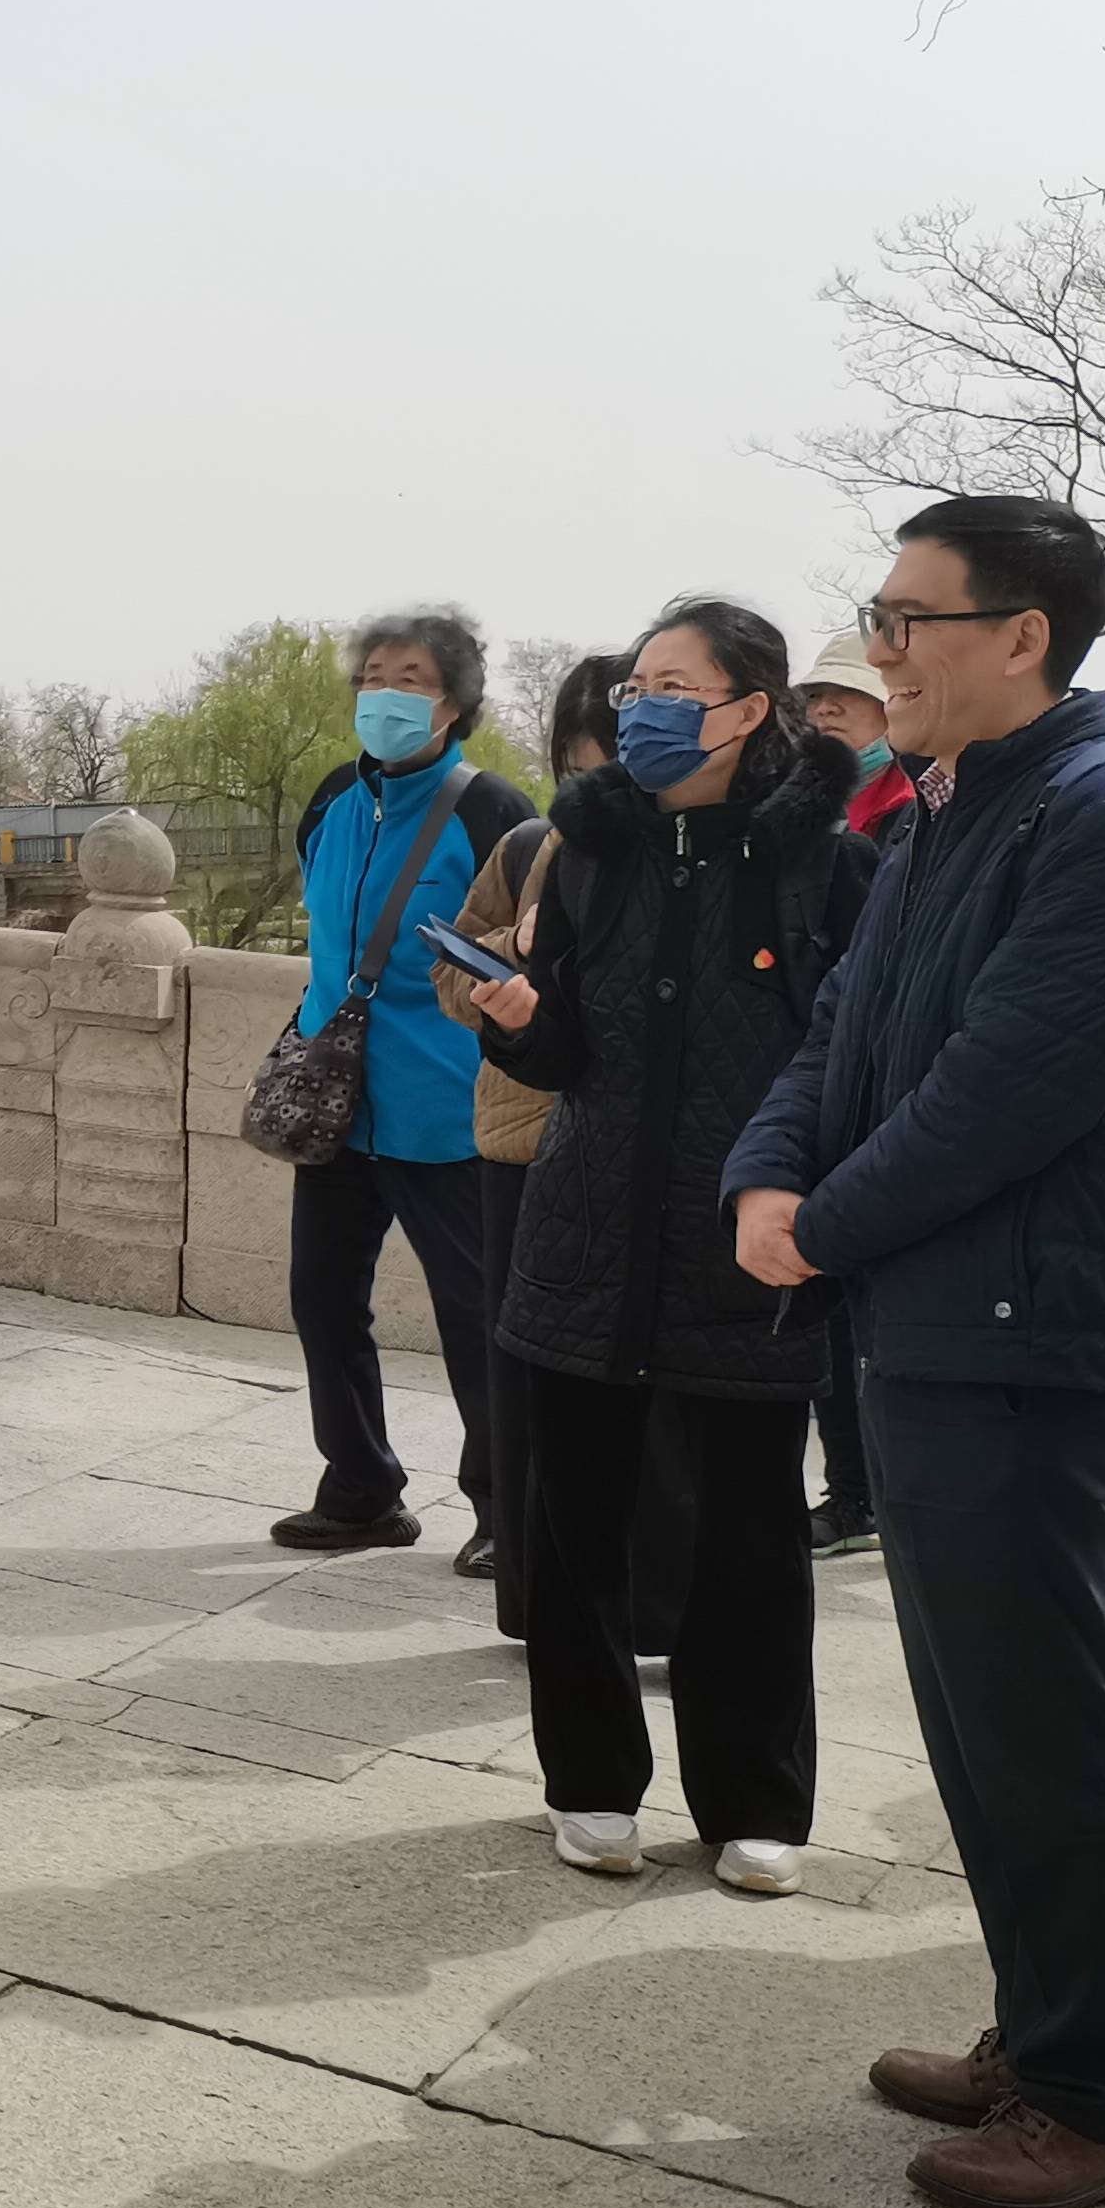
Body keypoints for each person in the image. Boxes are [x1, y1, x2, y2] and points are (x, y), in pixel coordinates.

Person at [727, 493, 1105, 2208]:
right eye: (876, 616)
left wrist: (824, 1223)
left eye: (907, 621)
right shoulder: (947, 802)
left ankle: (1098, 2101)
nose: (881, 651)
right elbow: (843, 1032)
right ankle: (1043, 2028)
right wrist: (767, 1173)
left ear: (1022, 636)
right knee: (980, 1721)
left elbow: (1013, 1084)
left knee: (1045, 1723)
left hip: (1023, 1327)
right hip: (932, 1313)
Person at [455, 597, 871, 1895]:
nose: (642, 709)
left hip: (746, 1245)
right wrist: (517, 1018)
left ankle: (756, 1802)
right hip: (584, 1232)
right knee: (573, 1531)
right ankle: (589, 1786)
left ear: (749, 707)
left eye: (674, 687)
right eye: (637, 688)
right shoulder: (586, 852)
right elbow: (564, 1053)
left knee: (751, 1540)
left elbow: (856, 1057)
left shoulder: (832, 866)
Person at [273, 609, 537, 1562]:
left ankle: (508, 1514)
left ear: (453, 702)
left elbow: (526, 953)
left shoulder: (494, 813)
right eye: (372, 677)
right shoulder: (332, 799)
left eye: (410, 679)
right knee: (323, 1300)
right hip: (337, 1104)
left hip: (447, 1111)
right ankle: (360, 1491)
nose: (384, 695)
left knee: (479, 1317)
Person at [423, 653, 601, 1601]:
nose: (593, 786)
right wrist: (518, 949)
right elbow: (451, 973)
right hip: (516, 1142)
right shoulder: (529, 847)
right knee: (515, 1354)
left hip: (624, 1147)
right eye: (577, 765)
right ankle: (509, 1534)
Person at [796, 625, 909, 1550]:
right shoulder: (803, 812)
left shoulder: (913, 812)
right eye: (816, 699)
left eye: (846, 697)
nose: (826, 711)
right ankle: (854, 1484)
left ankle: (867, 1489)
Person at [802, 628, 918, 852]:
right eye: (814, 695)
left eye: (848, 690)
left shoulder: (922, 807)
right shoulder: (773, 796)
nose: (825, 708)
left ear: (891, 706)